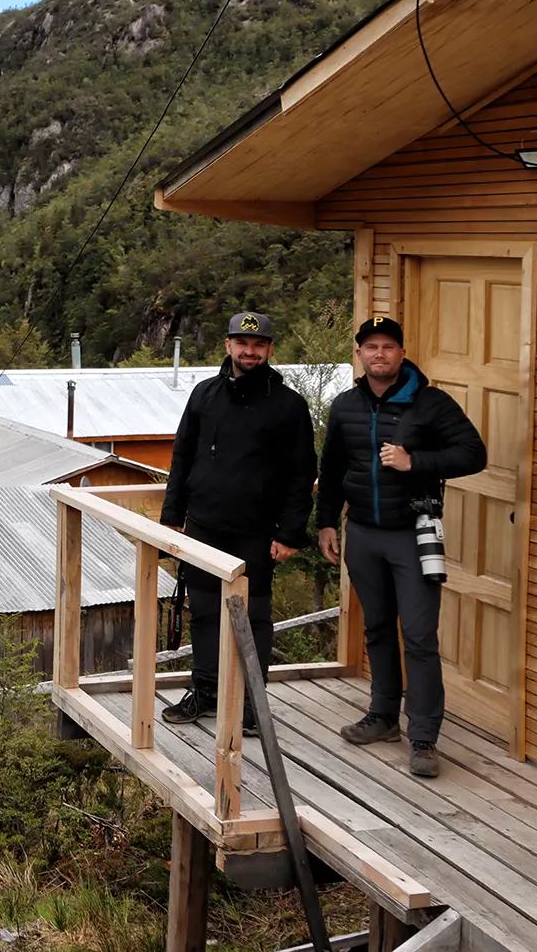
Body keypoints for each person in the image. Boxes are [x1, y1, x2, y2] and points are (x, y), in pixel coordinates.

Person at [316, 316, 486, 779]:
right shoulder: (345, 406)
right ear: (360, 354)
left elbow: (474, 454)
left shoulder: (430, 404)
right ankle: (383, 717)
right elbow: (331, 469)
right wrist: (326, 523)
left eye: (388, 347)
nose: (379, 354)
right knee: (376, 629)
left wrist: (416, 462)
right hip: (364, 534)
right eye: (370, 347)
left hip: (413, 534)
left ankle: (425, 739)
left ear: (401, 352)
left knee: (418, 637)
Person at [160, 311, 317, 733]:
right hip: (205, 525)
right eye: (242, 343)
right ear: (227, 346)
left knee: (254, 615)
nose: (251, 351)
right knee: (205, 611)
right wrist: (172, 516)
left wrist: (290, 533)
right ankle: (207, 691)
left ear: (269, 350)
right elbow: (182, 455)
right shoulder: (204, 395)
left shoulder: (288, 405)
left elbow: (302, 474)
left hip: (258, 531)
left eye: (259, 345)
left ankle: (252, 701)